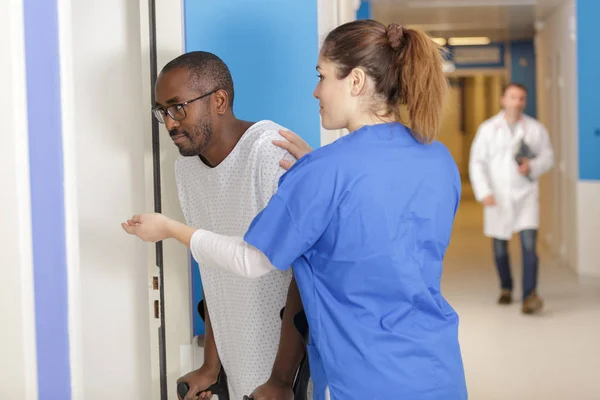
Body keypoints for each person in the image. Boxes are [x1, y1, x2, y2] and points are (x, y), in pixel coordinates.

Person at [124, 20, 468, 399]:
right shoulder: (438, 159)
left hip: (363, 376)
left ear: (355, 82)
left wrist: (171, 229)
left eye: (323, 76)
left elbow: (250, 260)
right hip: (436, 368)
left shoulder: (323, 171)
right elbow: (385, 232)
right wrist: (317, 174)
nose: (316, 90)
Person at [150, 51, 306, 400]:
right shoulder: (186, 169)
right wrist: (211, 366)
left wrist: (282, 380)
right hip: (239, 365)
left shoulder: (270, 153)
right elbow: (212, 265)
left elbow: (304, 274)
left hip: (290, 371)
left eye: (178, 107)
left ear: (219, 100)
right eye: (163, 112)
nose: (171, 123)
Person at [469, 83, 554, 314]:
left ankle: (529, 295)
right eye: (513, 97)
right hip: (497, 197)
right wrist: (483, 191)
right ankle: (506, 287)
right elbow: (477, 162)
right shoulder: (488, 129)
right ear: (502, 100)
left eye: (521, 98)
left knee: (529, 246)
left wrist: (532, 165)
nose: (517, 102)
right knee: (499, 248)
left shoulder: (535, 129)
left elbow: (548, 156)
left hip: (525, 196)